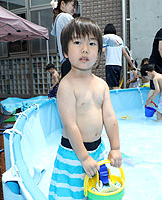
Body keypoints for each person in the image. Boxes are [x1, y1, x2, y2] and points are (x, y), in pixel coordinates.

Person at [49, 17, 122, 200]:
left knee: (94, 192)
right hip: (73, 154)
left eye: (91, 43)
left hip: (97, 151)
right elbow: (70, 125)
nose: (85, 49)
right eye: (77, 42)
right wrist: (83, 157)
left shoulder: (102, 85)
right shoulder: (66, 86)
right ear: (65, 51)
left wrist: (115, 147)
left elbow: (110, 117)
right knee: (71, 194)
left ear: (99, 51)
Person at [103, 23, 135, 89]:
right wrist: (131, 65)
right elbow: (125, 53)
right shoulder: (119, 39)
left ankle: (121, 98)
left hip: (110, 64)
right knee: (116, 85)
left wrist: (97, 62)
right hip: (118, 66)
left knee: (114, 87)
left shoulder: (106, 38)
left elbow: (103, 50)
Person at [51, 0, 77, 78]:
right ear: (63, 4)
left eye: (75, 7)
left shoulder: (58, 19)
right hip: (71, 61)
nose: (74, 9)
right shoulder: (65, 17)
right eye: (73, 5)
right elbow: (80, 35)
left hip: (65, 62)